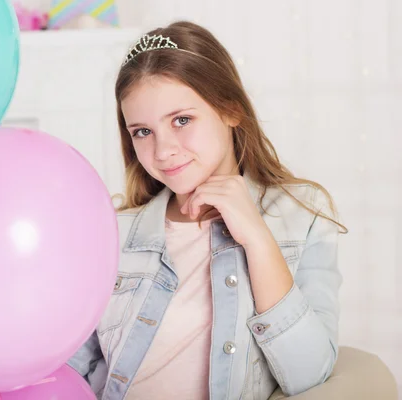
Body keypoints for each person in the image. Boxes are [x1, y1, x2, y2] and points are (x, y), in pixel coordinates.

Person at [66, 21, 347, 400]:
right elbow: (67, 365)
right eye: (142, 132)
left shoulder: (302, 216)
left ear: (230, 110)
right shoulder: (112, 233)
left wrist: (257, 239)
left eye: (182, 120)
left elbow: (309, 373)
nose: (163, 150)